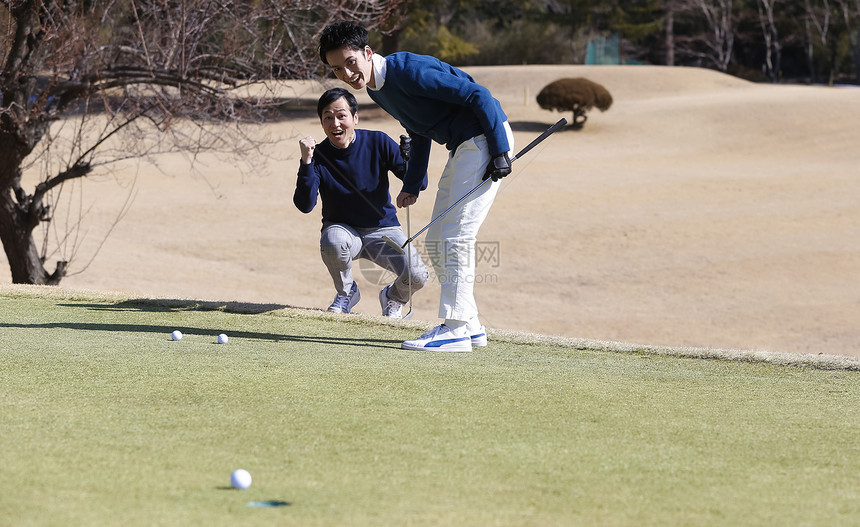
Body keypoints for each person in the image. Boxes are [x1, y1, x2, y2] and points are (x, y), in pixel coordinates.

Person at [319, 21, 515, 353]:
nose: (346, 73)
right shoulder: (375, 88)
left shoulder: (407, 70)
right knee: (440, 237)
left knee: (455, 235)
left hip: (482, 139)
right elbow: (418, 129)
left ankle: (454, 328)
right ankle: (470, 326)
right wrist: (412, 183)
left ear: (367, 53)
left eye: (350, 62)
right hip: (465, 145)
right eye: (337, 68)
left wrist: (498, 150)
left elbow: (479, 94)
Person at [294, 87, 428, 318]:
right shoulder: (317, 156)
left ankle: (393, 298)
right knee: (333, 240)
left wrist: (412, 160)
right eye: (328, 117)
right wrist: (306, 162)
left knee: (417, 275)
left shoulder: (378, 142)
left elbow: (420, 183)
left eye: (341, 115)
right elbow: (305, 205)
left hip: (384, 230)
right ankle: (347, 293)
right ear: (321, 122)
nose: (335, 123)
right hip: (343, 230)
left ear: (354, 118)